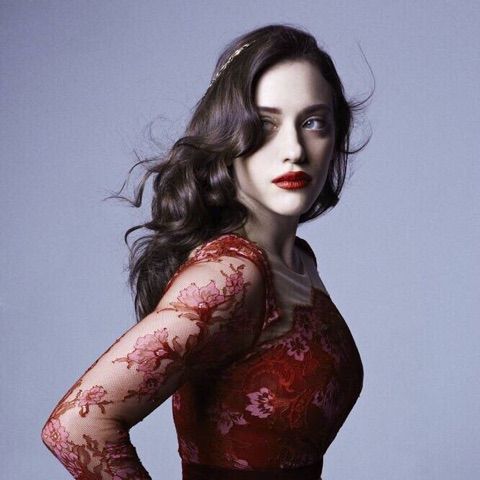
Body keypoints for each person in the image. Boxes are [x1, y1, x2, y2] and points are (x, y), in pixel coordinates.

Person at [41, 24, 370, 480]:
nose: (294, 150)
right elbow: (76, 426)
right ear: (228, 136)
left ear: (336, 136)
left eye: (313, 122)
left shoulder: (298, 260)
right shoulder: (231, 275)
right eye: (265, 124)